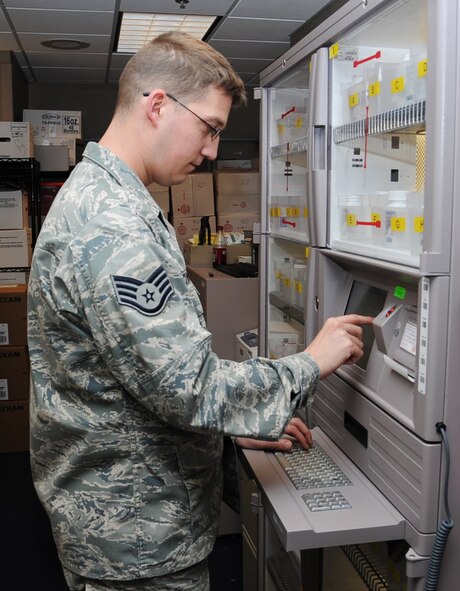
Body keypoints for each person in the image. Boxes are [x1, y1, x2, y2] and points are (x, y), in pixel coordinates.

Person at [27, 31, 373, 591]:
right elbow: (190, 385)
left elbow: (139, 382)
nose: (212, 149)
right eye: (210, 127)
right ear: (158, 104)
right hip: (136, 541)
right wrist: (312, 361)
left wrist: (234, 427)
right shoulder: (113, 228)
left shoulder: (108, 198)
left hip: (127, 520)